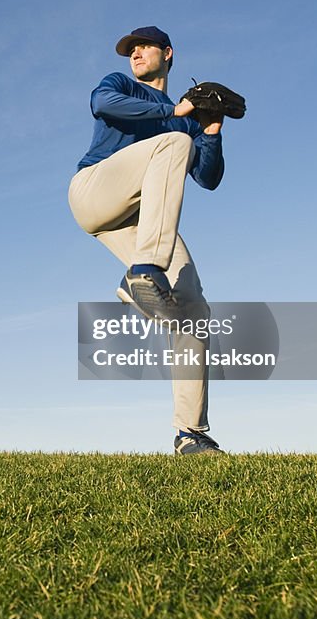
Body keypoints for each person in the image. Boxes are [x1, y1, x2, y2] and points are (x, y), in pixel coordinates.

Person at [68, 25, 227, 455]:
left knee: (194, 307)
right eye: (131, 50)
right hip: (94, 191)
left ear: (168, 54)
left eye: (144, 47)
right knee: (173, 142)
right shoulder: (122, 85)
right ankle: (144, 270)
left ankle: (190, 434)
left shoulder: (186, 120)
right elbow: (101, 103)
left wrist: (210, 129)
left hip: (140, 220)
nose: (135, 54)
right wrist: (177, 114)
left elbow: (207, 178)